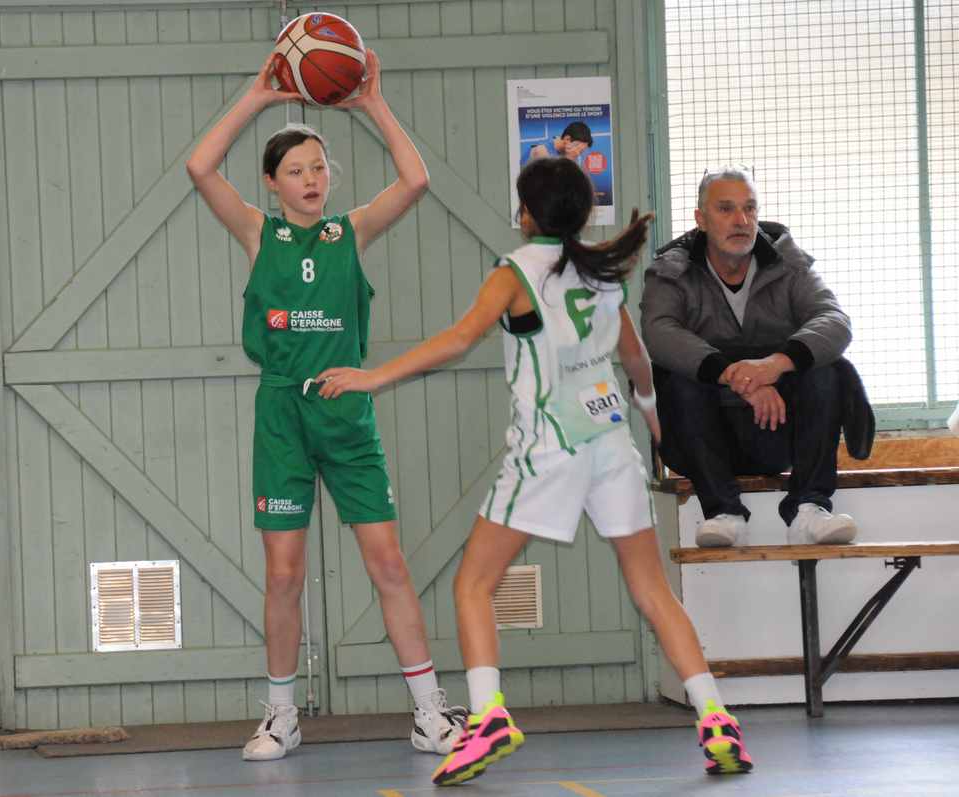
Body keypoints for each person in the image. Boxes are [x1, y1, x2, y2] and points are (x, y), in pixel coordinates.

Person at [316, 157, 754, 784]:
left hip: (550, 446)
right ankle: (716, 719)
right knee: (653, 589)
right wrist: (654, 419)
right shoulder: (602, 274)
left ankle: (488, 717)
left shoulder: (515, 271)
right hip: (611, 444)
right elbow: (636, 361)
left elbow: (458, 340)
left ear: (526, 213)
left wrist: (372, 376)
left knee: (473, 584)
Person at [185, 50, 467, 762]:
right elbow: (199, 167)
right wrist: (257, 97)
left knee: (389, 564)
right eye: (296, 170)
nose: (311, 179)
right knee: (283, 573)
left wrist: (372, 104)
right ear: (272, 183)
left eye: (318, 167)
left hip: (345, 411)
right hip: (282, 411)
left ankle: (429, 712)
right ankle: (282, 715)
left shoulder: (351, 231)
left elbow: (416, 180)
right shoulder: (259, 233)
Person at [641, 165, 869, 548]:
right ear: (700, 219)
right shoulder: (672, 271)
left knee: (829, 369)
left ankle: (809, 509)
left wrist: (772, 366)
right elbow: (658, 332)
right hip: (704, 437)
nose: (741, 220)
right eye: (725, 209)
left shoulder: (790, 265)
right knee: (674, 375)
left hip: (778, 431)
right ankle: (723, 512)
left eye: (749, 208)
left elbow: (834, 320)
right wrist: (738, 376)